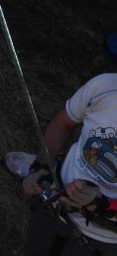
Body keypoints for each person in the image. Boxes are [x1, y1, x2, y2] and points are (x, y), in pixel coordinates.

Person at [19, 72, 117, 255]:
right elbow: (63, 123)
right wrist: (42, 168)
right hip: (54, 207)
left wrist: (104, 204)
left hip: (102, 241)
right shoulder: (104, 86)